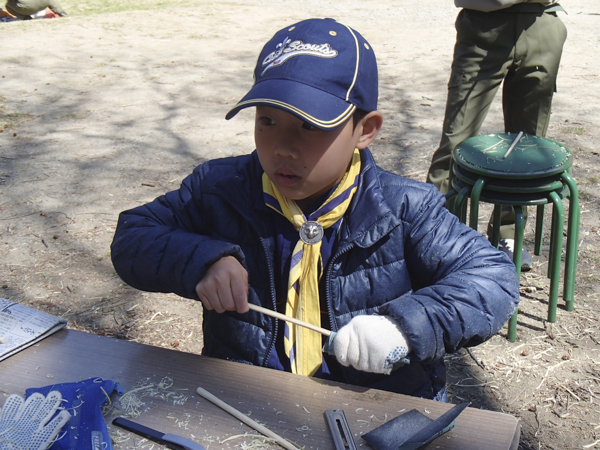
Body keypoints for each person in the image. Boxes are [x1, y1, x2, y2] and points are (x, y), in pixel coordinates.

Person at [111, 18, 519, 401]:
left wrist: (404, 327)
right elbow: (132, 236)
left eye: (310, 126)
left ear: (366, 129)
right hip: (247, 398)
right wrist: (201, 261)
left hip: (377, 409)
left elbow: (493, 277)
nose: (283, 147)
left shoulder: (405, 208)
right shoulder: (219, 190)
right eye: (267, 121)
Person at [426, 0, 567, 271]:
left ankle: (507, 233)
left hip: (540, 21)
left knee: (526, 147)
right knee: (456, 140)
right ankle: (432, 234)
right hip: (484, 23)